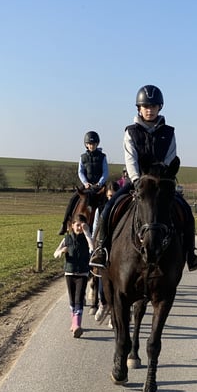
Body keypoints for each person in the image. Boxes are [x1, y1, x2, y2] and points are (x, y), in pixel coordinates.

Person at [90, 85, 197, 272]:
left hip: (161, 183)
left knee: (186, 211)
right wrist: (136, 180)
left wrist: (161, 175)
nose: (149, 110)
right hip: (137, 182)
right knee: (109, 209)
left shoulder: (169, 132)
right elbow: (130, 158)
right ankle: (101, 250)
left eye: (153, 106)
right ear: (139, 108)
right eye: (145, 106)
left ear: (160, 107)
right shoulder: (131, 132)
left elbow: (170, 157)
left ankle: (190, 254)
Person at [58, 131, 109, 235]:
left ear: (97, 144)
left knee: (110, 201)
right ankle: (64, 224)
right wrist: (85, 183)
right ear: (86, 145)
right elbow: (80, 172)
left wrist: (100, 183)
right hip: (87, 186)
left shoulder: (103, 156)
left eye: (94, 144)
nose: (92, 146)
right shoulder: (83, 157)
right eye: (89, 144)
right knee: (73, 199)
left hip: (99, 186)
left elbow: (105, 172)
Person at [54, 213, 94, 338]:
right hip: (69, 273)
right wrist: (61, 251)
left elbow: (92, 247)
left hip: (82, 273)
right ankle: (74, 323)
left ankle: (77, 325)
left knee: (79, 299)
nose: (79, 228)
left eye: (82, 225)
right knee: (72, 299)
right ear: (72, 225)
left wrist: (87, 233)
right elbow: (55, 253)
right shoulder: (67, 239)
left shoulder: (86, 238)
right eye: (77, 225)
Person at [91, 181, 120, 324]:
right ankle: (103, 303)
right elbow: (96, 228)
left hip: (119, 248)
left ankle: (115, 314)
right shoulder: (101, 209)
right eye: (109, 196)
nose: (111, 199)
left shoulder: (123, 208)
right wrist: (93, 247)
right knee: (103, 282)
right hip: (105, 248)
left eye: (114, 196)